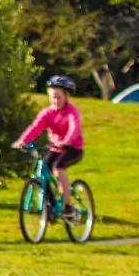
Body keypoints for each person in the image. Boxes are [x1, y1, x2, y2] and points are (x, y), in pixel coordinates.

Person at [14, 75, 84, 212]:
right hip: (55, 147)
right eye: (52, 97)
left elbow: (74, 128)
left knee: (58, 167)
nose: (55, 101)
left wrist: (67, 141)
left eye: (59, 97)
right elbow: (35, 128)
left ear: (66, 96)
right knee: (43, 169)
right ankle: (51, 205)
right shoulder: (47, 113)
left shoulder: (71, 112)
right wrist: (22, 141)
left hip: (73, 148)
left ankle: (67, 205)